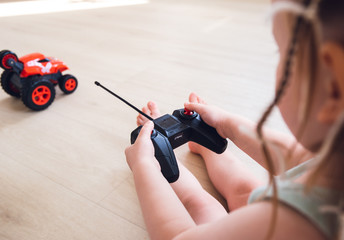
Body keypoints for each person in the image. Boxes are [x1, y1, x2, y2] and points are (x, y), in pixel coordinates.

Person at [124, 0, 344, 239]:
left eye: (281, 53)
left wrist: (145, 168)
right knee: (246, 191)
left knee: (201, 205)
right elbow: (299, 158)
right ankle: (204, 144)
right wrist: (226, 124)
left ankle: (161, 158)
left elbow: (177, 236)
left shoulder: (293, 224)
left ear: (332, 88)